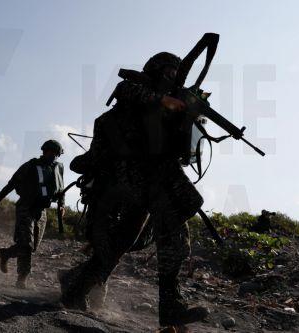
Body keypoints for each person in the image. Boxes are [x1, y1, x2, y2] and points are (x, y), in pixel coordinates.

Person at [58, 52, 209, 327]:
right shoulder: (135, 91)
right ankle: (170, 304)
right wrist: (165, 100)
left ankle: (77, 287)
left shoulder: (171, 102)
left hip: (157, 173)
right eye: (169, 71)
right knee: (172, 219)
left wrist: (192, 114)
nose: (173, 76)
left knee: (125, 239)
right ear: (155, 70)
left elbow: (182, 147)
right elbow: (128, 90)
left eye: (177, 72)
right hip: (130, 174)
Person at [0, 140, 65, 289]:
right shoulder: (30, 165)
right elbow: (12, 183)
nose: (53, 156)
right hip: (26, 207)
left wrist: (62, 205)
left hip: (42, 211)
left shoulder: (58, 168)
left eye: (56, 154)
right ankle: (21, 279)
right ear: (44, 151)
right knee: (26, 244)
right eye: (50, 152)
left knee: (32, 247)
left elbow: (61, 188)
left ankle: (6, 254)